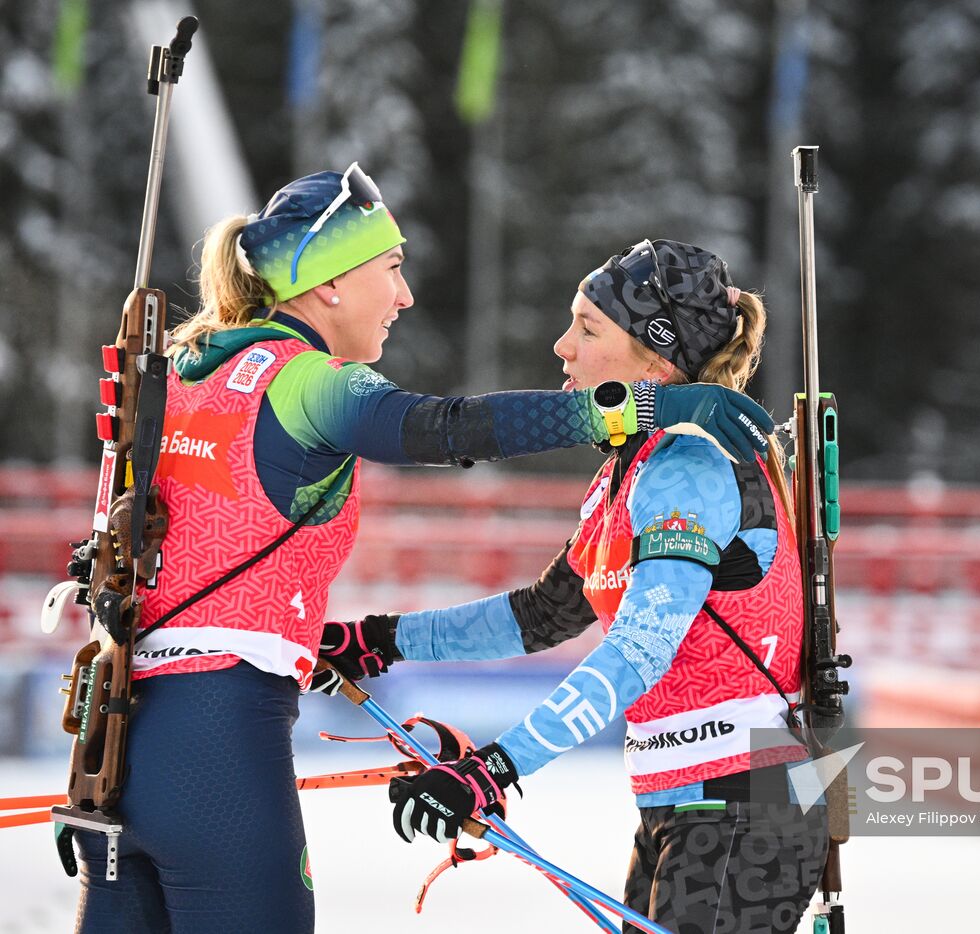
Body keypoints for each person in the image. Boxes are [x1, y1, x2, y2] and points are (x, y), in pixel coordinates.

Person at [71, 167, 776, 934]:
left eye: (589, 328)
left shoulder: (180, 373)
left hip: (116, 735)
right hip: (222, 739)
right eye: (392, 268)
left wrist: (381, 642)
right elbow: (449, 427)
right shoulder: (309, 383)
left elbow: (558, 620)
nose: (403, 296)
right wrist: (646, 405)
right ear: (329, 284)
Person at [319, 239, 828, 934]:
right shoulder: (632, 469)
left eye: (589, 329)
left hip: (746, 804)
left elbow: (640, 651)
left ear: (657, 360)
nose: (563, 346)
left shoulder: (692, 469)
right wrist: (377, 640)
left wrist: (494, 767)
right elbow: (542, 615)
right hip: (691, 803)